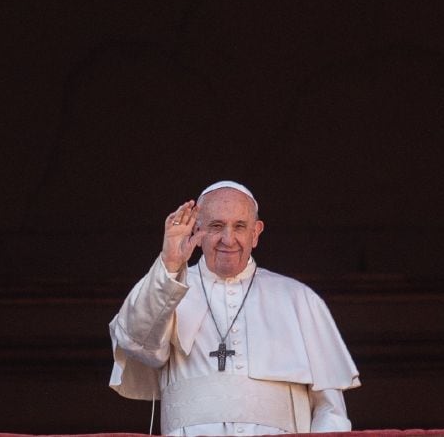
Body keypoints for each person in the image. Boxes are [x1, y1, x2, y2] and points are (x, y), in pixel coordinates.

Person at [109, 180, 360, 435]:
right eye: (216, 226)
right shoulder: (166, 287)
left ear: (256, 233)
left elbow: (331, 412)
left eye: (239, 226)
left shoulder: (299, 299)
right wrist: (170, 264)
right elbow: (137, 344)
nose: (227, 239)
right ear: (196, 230)